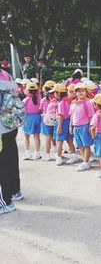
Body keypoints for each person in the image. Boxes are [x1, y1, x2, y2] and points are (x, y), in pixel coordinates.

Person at [0, 72, 20, 215]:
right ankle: (15, 191)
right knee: (11, 159)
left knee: (3, 165)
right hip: (11, 125)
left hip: (1, 129)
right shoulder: (7, 76)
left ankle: (5, 201)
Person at [50, 83, 80, 166]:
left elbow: (61, 116)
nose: (54, 94)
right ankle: (74, 155)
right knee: (69, 140)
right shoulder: (68, 100)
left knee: (59, 141)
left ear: (59, 93)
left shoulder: (60, 103)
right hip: (68, 122)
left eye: (55, 92)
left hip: (62, 122)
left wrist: (59, 128)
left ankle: (59, 157)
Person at [69, 83, 95, 172]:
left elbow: (91, 116)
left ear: (85, 92)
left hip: (85, 126)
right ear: (75, 93)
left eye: (83, 91)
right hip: (76, 127)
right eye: (78, 91)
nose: (81, 93)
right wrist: (70, 126)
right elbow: (72, 116)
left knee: (86, 145)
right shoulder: (73, 104)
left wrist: (91, 126)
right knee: (80, 145)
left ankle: (86, 162)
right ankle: (85, 160)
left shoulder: (88, 103)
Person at [22, 82, 42, 160]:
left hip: (28, 118)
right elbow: (41, 109)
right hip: (37, 117)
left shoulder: (25, 100)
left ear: (27, 90)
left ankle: (27, 153)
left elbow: (22, 110)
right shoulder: (39, 99)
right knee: (36, 136)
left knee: (26, 136)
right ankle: (37, 153)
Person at [40, 80, 57, 161]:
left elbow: (41, 109)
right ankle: (55, 147)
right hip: (55, 119)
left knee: (48, 136)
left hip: (46, 120)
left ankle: (47, 154)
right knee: (53, 134)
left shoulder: (44, 99)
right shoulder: (56, 99)